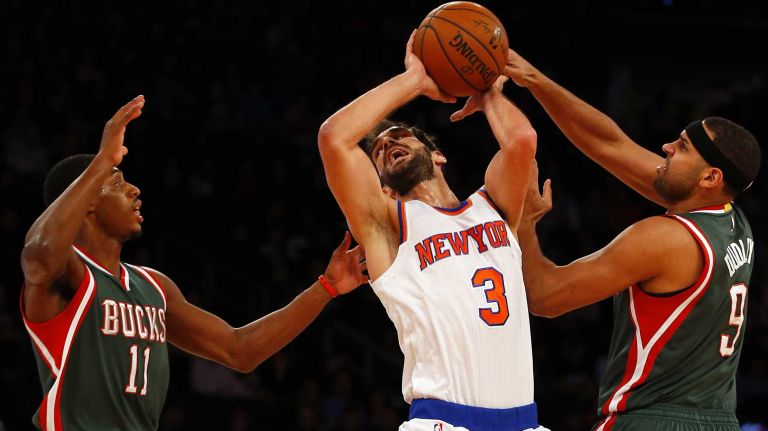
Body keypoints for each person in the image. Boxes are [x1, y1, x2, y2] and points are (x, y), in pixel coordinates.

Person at [19, 95, 368, 430]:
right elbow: (38, 253)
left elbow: (239, 350)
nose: (134, 190)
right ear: (87, 203)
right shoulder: (65, 273)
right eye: (116, 182)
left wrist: (327, 287)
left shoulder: (154, 286)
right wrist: (101, 162)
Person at [501, 48, 761, 430]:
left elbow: (546, 295)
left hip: (652, 420)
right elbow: (610, 144)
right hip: (718, 421)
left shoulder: (665, 239)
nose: (666, 148)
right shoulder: (733, 220)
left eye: (683, 148)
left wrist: (523, 216)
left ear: (710, 178)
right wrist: (532, 79)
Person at [317, 30, 548, 431]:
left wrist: (488, 91)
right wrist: (415, 81)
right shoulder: (388, 226)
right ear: (384, 187)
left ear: (437, 154)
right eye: (379, 152)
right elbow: (334, 138)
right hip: (443, 422)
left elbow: (522, 141)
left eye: (400, 137)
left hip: (524, 422)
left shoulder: (492, 206)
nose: (388, 144)